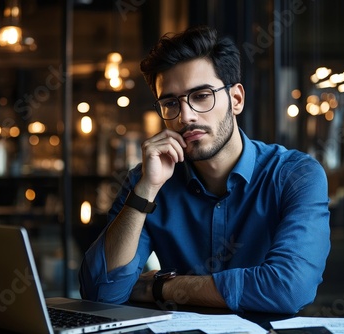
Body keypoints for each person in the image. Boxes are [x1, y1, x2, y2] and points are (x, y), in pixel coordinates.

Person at [78, 25, 330, 314]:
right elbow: (100, 293)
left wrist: (160, 287)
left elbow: (288, 288)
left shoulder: (295, 175)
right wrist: (146, 190)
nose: (185, 116)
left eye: (201, 96)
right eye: (171, 102)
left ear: (236, 99)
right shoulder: (148, 180)